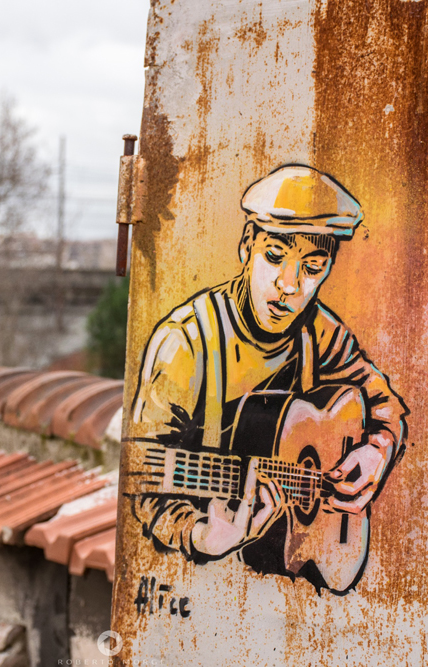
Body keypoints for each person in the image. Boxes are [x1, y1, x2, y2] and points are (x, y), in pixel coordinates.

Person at [127, 164, 408, 581]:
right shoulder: (187, 342)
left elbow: (384, 404)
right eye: (274, 257)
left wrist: (376, 451)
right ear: (247, 246)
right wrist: (202, 536)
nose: (289, 284)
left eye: (312, 267)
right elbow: (143, 479)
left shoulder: (319, 331)